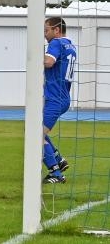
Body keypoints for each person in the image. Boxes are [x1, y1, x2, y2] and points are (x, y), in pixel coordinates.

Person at [42, 17, 76, 184]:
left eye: (46, 30)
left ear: (56, 30)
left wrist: (34, 57)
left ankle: (55, 173)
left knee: (36, 136)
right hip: (62, 97)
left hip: (55, 99)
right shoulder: (71, 46)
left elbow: (48, 62)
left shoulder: (56, 43)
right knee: (35, 131)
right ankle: (58, 159)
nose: (44, 34)